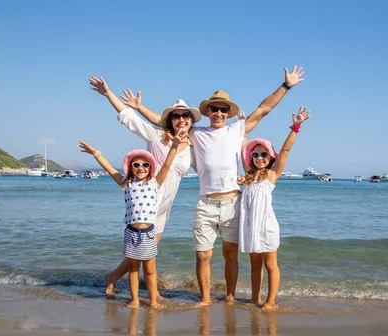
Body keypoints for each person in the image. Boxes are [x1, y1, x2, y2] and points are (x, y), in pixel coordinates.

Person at [125, 65, 306, 305]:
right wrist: (138, 108)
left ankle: (230, 297)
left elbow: (264, 109)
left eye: (223, 109)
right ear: (208, 111)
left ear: (228, 113)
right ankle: (205, 299)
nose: (218, 113)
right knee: (203, 255)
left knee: (230, 255)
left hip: (232, 202)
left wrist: (286, 86)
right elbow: (164, 122)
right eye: (215, 109)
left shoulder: (236, 129)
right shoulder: (195, 133)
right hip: (205, 203)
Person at [89, 76, 200, 295]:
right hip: (146, 203)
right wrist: (108, 93)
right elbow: (129, 118)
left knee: (146, 252)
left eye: (185, 115)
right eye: (176, 116)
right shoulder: (157, 135)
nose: (181, 119)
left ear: (190, 120)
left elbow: (210, 167)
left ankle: (113, 277)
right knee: (145, 253)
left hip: (165, 206)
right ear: (170, 120)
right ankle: (152, 295)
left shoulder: (194, 147)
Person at [79, 131, 187, 308]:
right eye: (136, 165)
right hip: (131, 233)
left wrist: (174, 146)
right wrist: (96, 154)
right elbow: (110, 169)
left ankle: (153, 300)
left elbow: (167, 165)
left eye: (145, 164)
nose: (141, 168)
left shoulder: (154, 184)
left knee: (150, 271)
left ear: (150, 167)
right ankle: (135, 299)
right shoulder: (126, 184)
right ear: (131, 168)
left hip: (149, 233)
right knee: (134, 269)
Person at [239, 106, 310, 310]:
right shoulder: (248, 176)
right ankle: (254, 298)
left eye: (264, 154)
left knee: (270, 265)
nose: (260, 157)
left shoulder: (272, 175)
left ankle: (270, 302)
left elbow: (286, 150)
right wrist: (241, 129)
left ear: (271, 158)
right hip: (250, 227)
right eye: (256, 154)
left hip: (267, 227)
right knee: (254, 265)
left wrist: (296, 126)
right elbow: (244, 144)